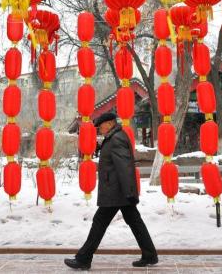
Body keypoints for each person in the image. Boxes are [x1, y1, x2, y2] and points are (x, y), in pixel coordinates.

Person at [64, 112, 158, 270]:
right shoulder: (114, 138)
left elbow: (125, 167)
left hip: (116, 191)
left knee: (99, 222)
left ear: (109, 123)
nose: (99, 129)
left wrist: (130, 192)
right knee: (135, 222)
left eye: (100, 126)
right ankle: (150, 255)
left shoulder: (116, 139)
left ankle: (83, 259)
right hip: (118, 190)